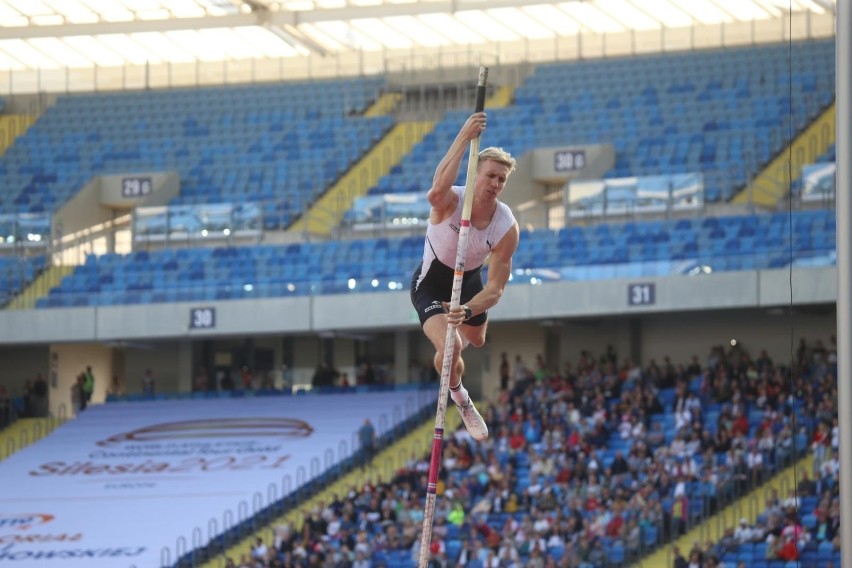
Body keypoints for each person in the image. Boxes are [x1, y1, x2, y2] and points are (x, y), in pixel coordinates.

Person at [409, 111, 519, 442]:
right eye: (490, 176)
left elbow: (496, 289)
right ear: (475, 173)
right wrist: (464, 136)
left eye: (502, 179)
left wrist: (467, 309)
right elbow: (436, 189)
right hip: (431, 283)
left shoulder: (506, 226)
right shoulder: (450, 200)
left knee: (475, 341)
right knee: (453, 347)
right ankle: (461, 398)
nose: (496, 184)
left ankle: (449, 358)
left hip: (469, 282)